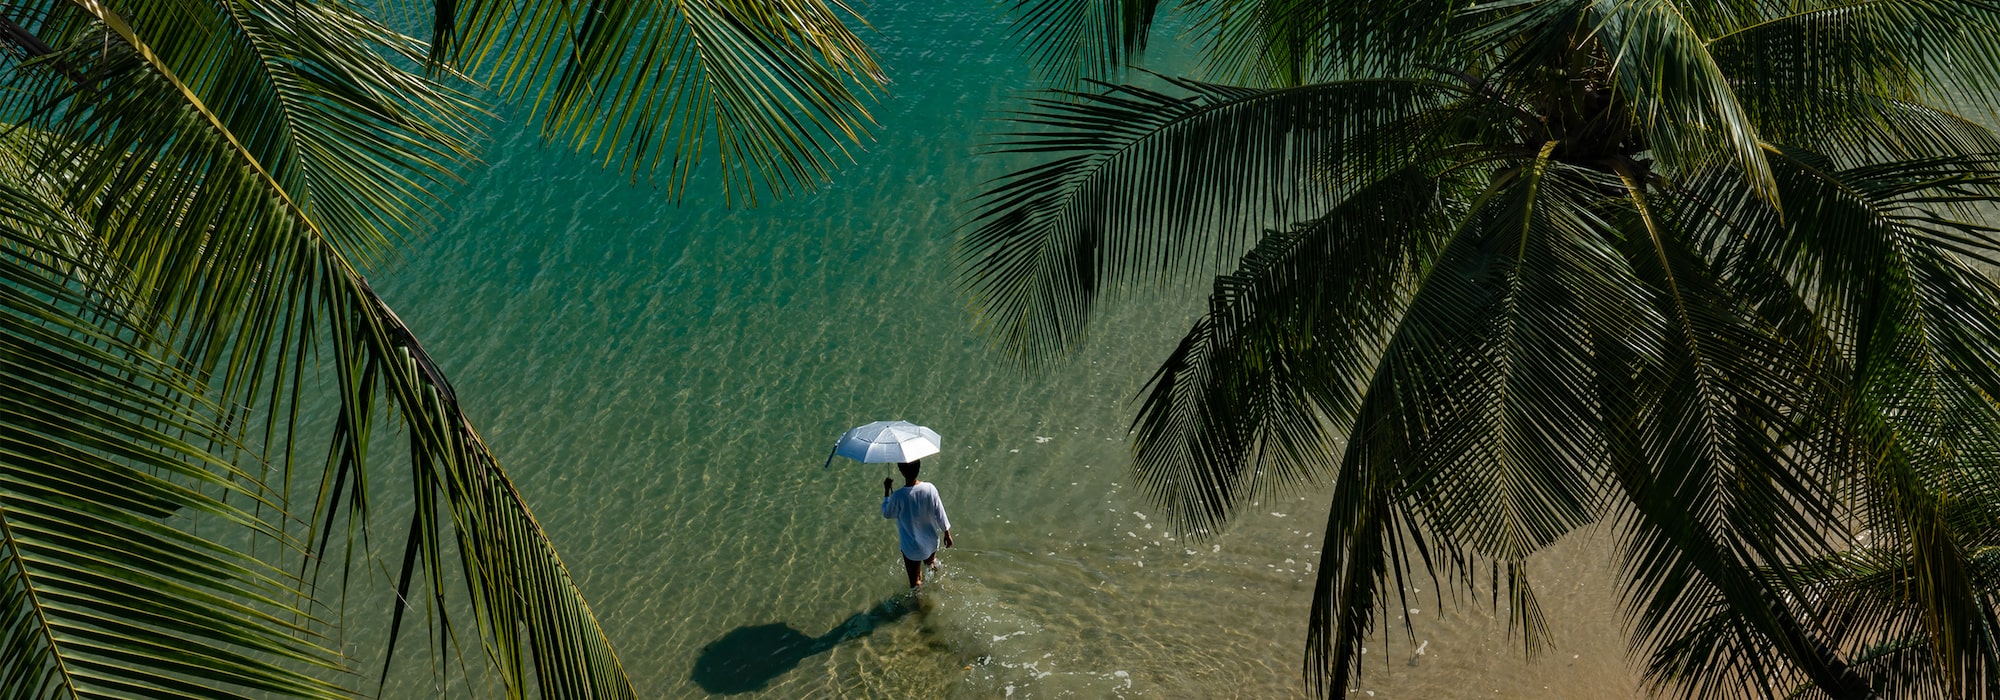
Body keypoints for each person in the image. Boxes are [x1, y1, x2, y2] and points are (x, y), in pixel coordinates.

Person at [881, 459, 953, 588]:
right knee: (930, 563)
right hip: (931, 541)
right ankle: (939, 582)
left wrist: (887, 492)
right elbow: (940, 512)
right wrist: (946, 533)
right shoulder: (930, 488)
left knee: (915, 582)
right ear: (919, 468)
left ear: (901, 471)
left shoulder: (898, 496)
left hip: (911, 546)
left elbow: (888, 513)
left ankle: (920, 606)